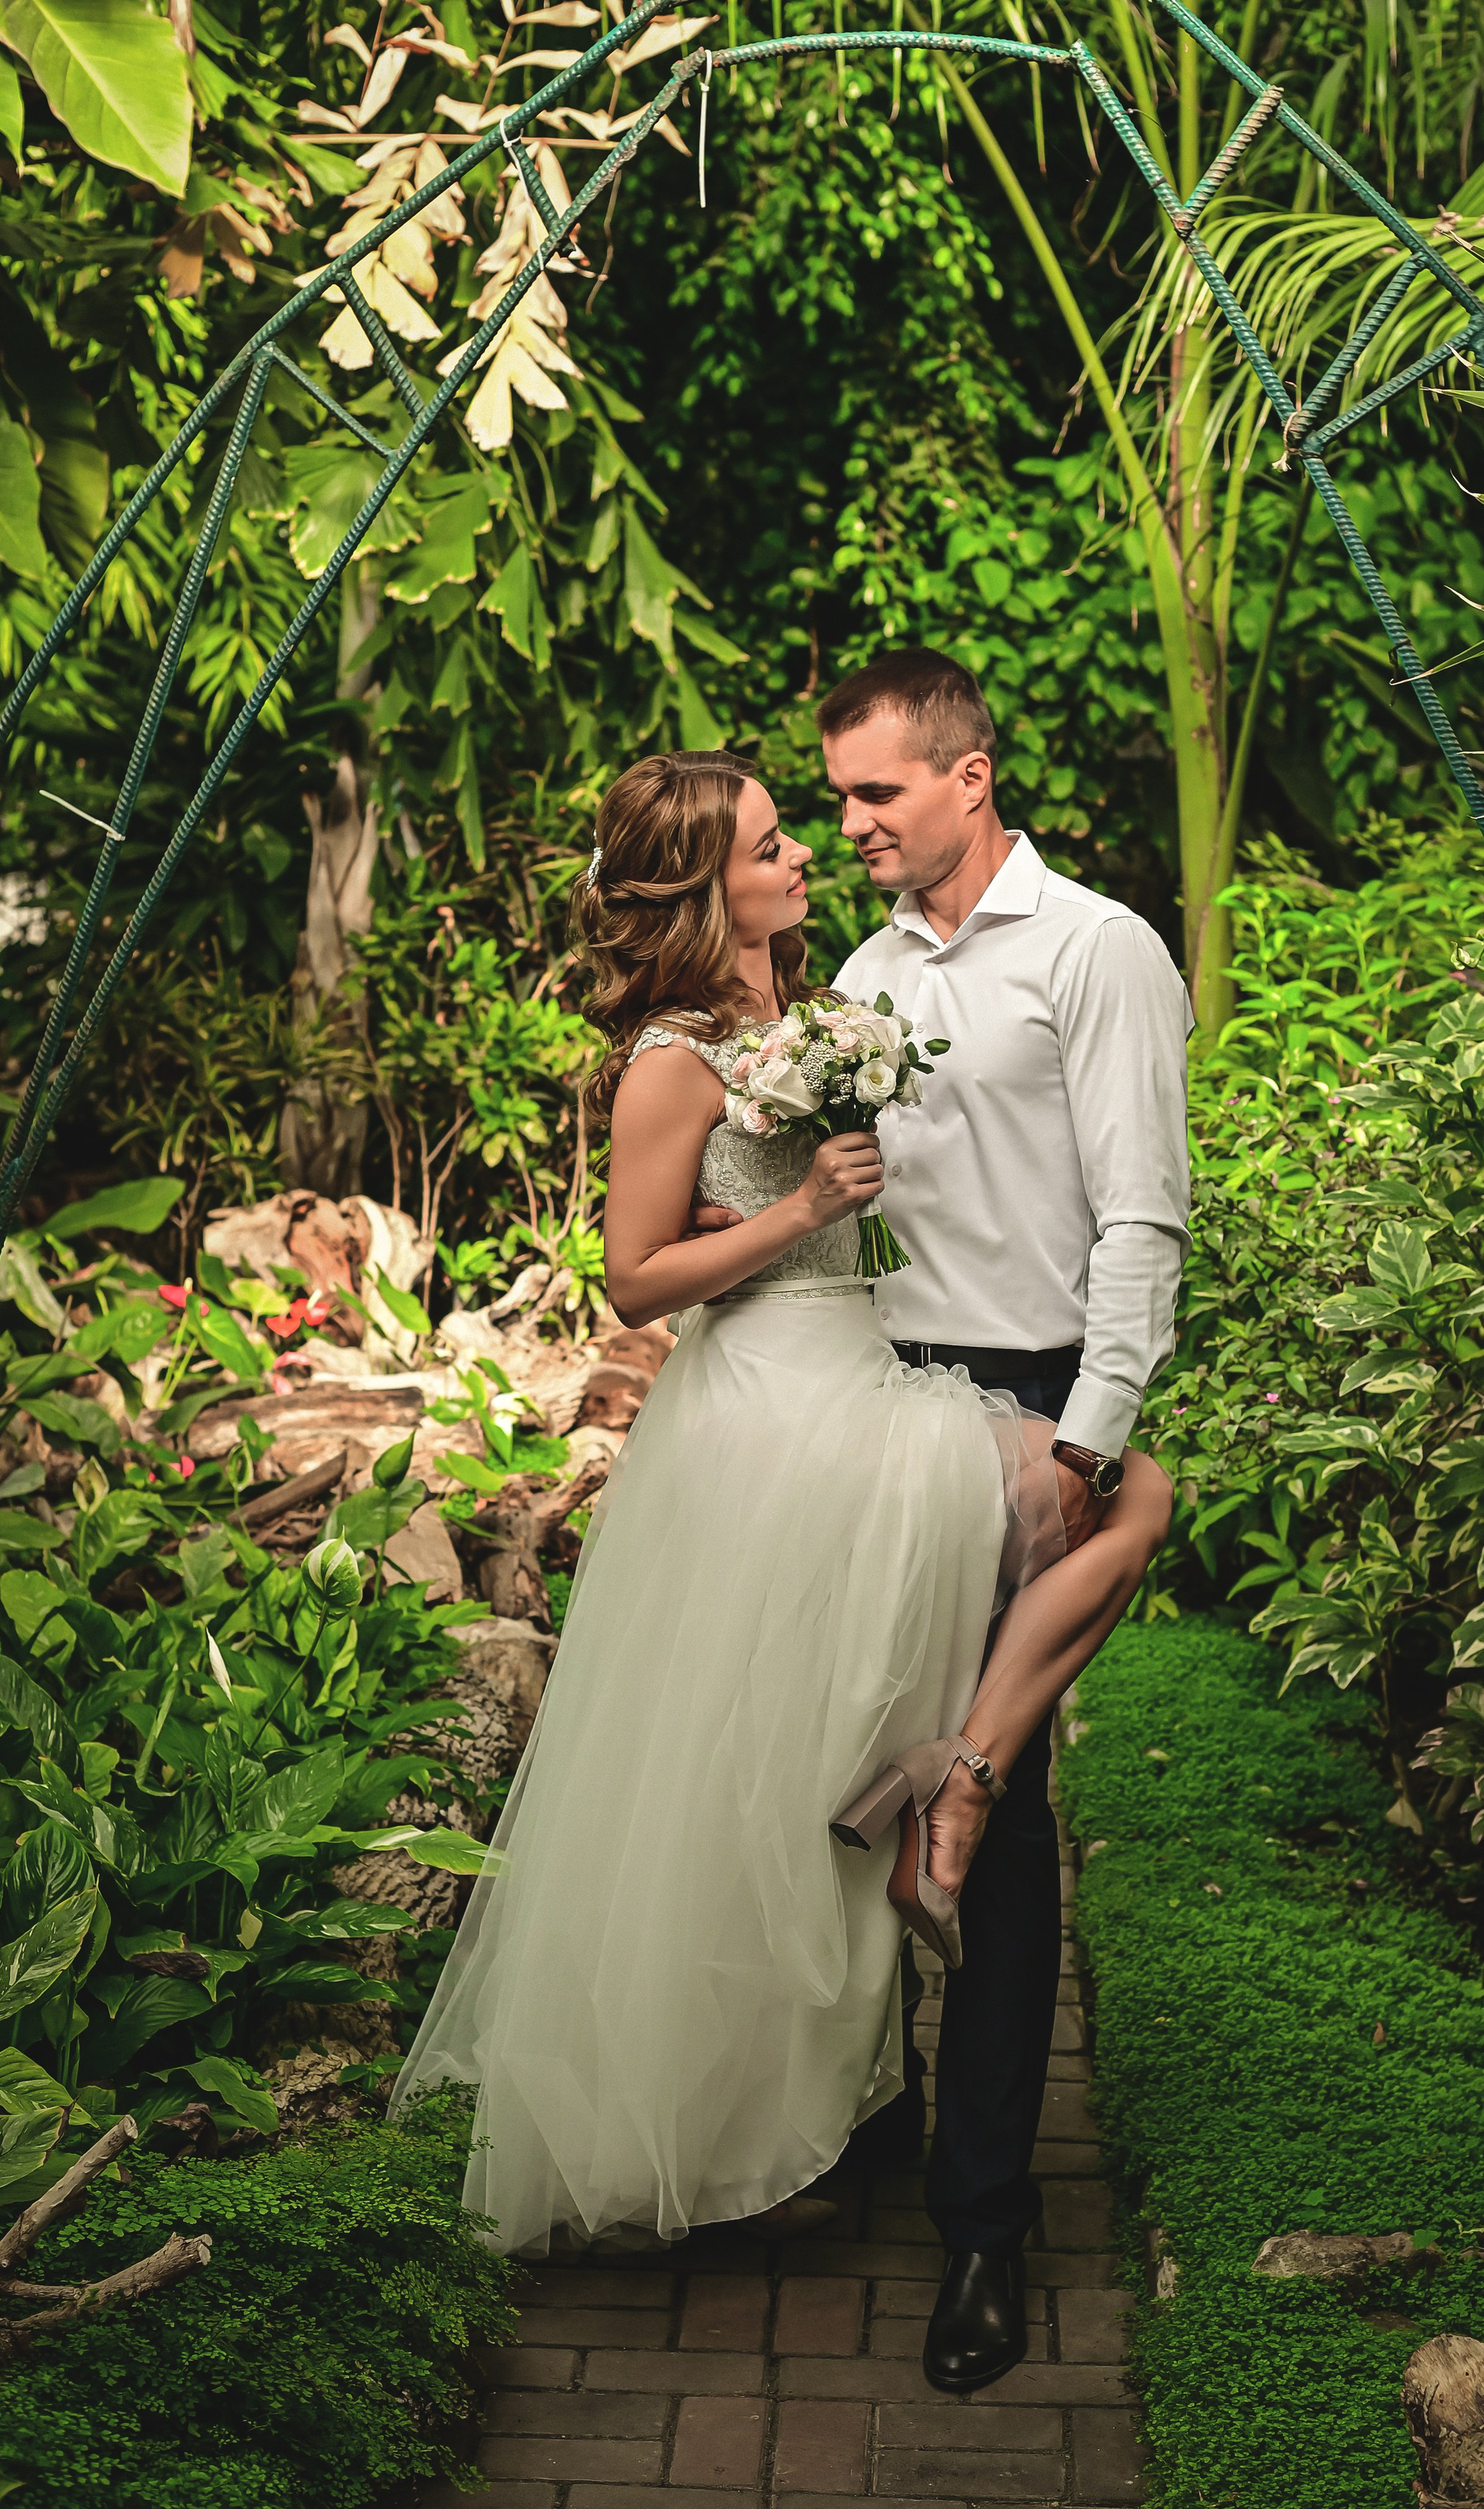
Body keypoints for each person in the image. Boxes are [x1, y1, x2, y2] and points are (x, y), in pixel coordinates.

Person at [391, 748, 1171, 2271]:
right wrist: (802, 1209)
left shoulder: (811, 1012)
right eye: (766, 845)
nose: (804, 852)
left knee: (779, 1766)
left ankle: (944, 1789)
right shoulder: (675, 1053)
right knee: (1117, 1494)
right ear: (705, 888)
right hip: (777, 1412)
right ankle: (954, 1788)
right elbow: (632, 1279)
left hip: (852, 1376)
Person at [825, 648, 1193, 2391]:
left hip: (1032, 1405)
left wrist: (1088, 1436)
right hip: (872, 1407)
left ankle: (982, 2226)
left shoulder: (1096, 950)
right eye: (836, 796)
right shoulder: (864, 973)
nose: (850, 822)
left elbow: (1141, 1215)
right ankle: (848, 2128)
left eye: (876, 791)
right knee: (850, 1768)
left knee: (1000, 1812)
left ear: (967, 778)